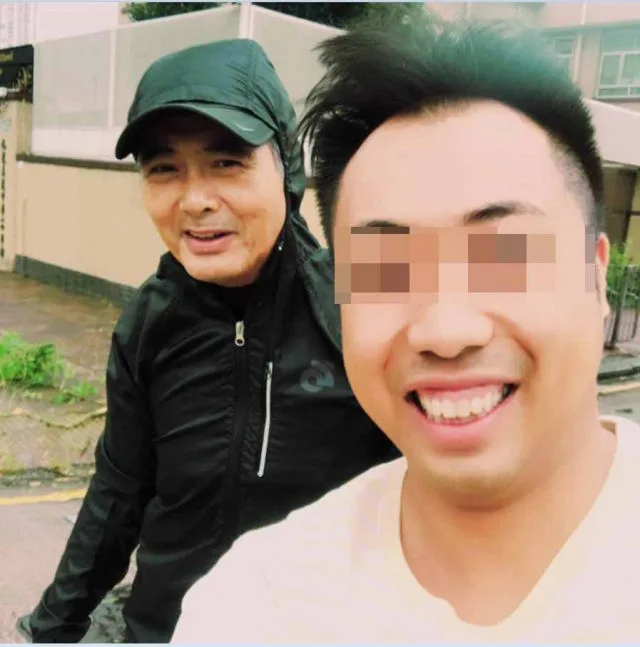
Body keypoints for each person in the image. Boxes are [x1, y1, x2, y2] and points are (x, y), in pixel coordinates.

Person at [172, 19, 640, 643]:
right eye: (386, 270)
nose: (445, 331)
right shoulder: (257, 606)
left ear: (596, 277)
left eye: (505, 256)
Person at [19, 39, 397, 644]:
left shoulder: (363, 302)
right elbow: (118, 493)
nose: (195, 201)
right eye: (164, 169)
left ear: (287, 167)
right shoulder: (150, 322)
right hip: (164, 629)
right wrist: (49, 630)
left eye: (226, 163)